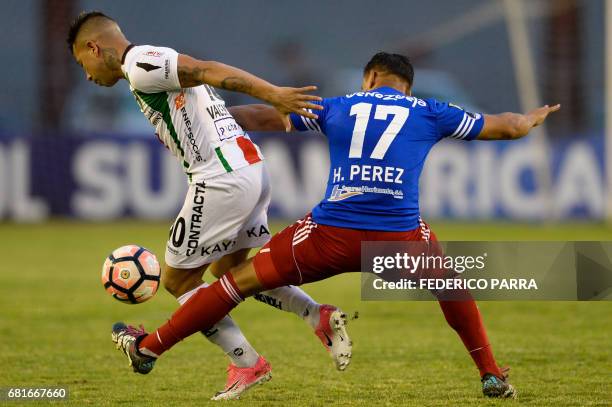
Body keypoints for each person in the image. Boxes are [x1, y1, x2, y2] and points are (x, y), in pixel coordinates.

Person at [112, 51, 560, 399]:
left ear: (369, 78)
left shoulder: (340, 105)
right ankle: (490, 374)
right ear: (406, 85)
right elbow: (507, 127)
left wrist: (217, 121)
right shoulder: (430, 112)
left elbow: (269, 117)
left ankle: (150, 346)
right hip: (398, 238)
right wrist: (532, 119)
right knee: (451, 288)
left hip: (326, 236)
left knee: (232, 283)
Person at [67, 11, 353, 400]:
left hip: (221, 180)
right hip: (250, 170)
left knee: (178, 281)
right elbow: (214, 102)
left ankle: (247, 362)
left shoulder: (141, 63)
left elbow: (207, 69)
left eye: (80, 62)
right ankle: (317, 315)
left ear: (93, 48)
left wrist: (274, 93)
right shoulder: (151, 71)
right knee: (231, 271)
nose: (86, 74)